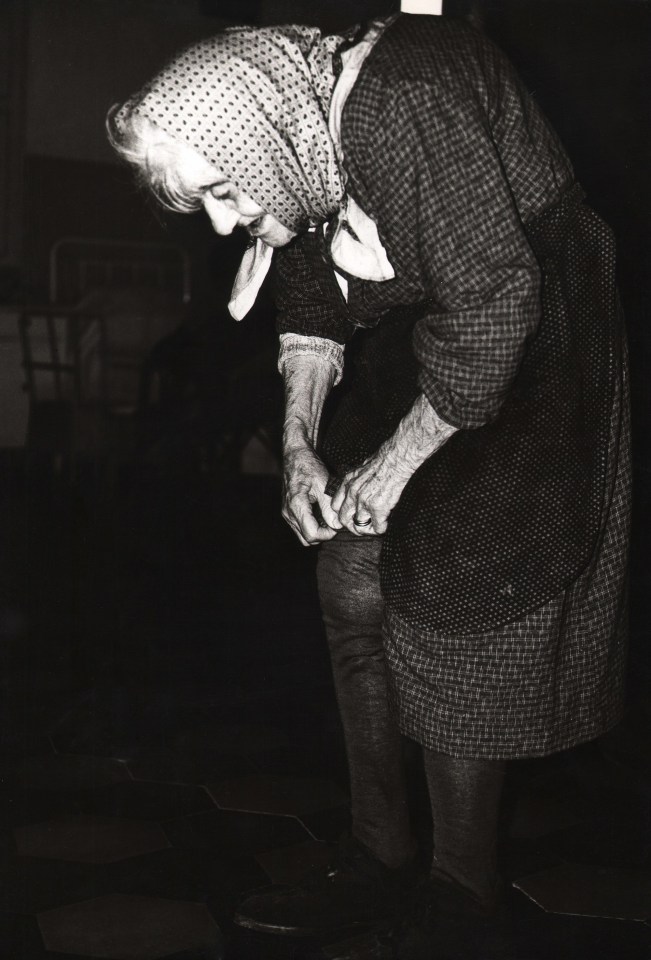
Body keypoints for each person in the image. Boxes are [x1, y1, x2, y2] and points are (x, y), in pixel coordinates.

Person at [107, 11, 630, 956]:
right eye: (206, 204)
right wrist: (299, 442)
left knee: (455, 597)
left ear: (256, 142)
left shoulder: (403, 100)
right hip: (436, 335)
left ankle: (461, 895)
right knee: (351, 575)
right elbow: (309, 284)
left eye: (225, 192)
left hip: (534, 338)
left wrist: (392, 465)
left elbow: (495, 306)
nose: (226, 223)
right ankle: (377, 855)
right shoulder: (301, 128)